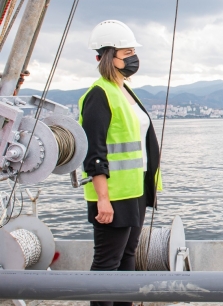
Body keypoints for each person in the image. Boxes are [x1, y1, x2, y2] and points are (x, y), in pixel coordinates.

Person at [79, 20, 163, 306]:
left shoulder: (125, 90)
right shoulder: (98, 95)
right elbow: (94, 152)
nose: (132, 58)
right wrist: (103, 198)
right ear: (106, 57)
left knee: (128, 256)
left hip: (134, 190)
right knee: (106, 263)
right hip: (112, 194)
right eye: (126, 53)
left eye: (132, 52)